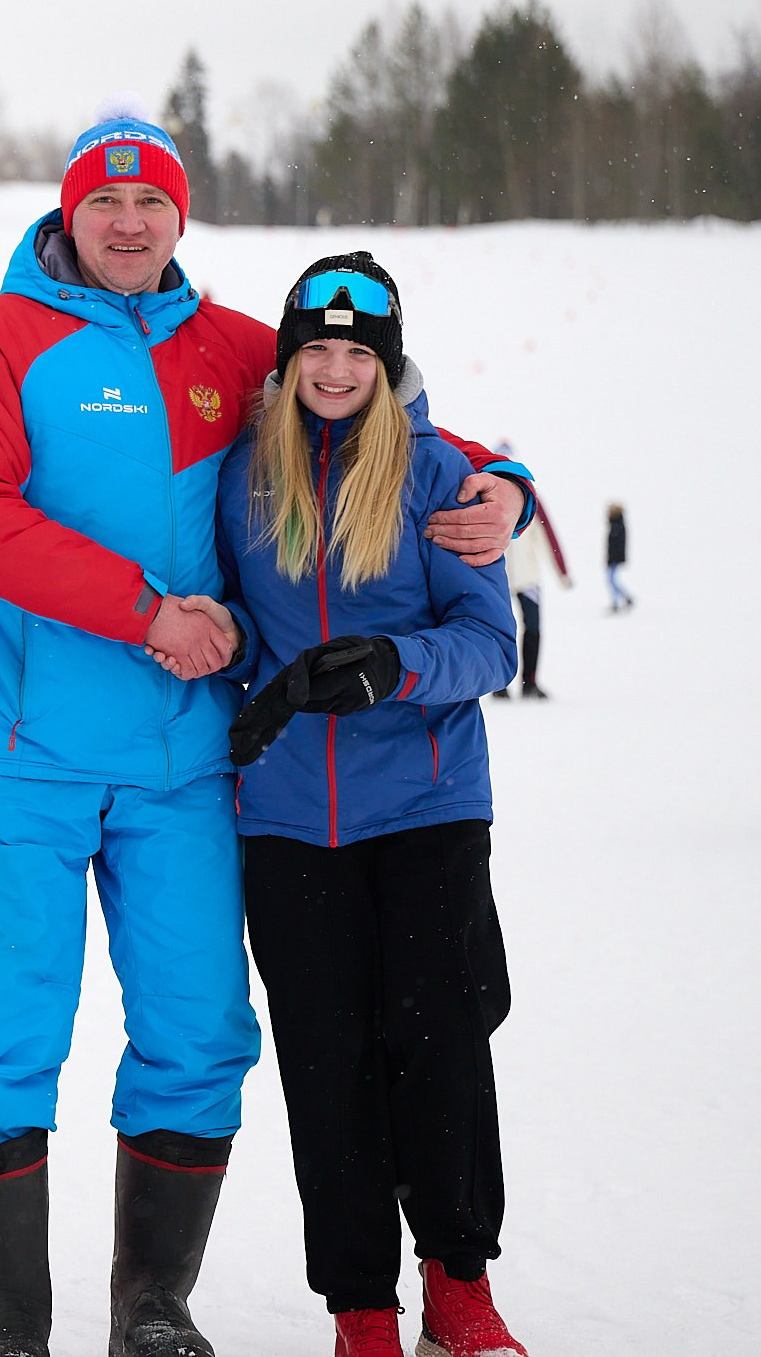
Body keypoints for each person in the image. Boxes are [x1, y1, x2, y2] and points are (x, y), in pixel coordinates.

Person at [0, 110, 534, 1357]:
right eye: (105, 205)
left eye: (151, 206)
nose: (129, 224)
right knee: (3, 1027)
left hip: (192, 760)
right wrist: (145, 612)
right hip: (23, 749)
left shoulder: (233, 350)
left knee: (199, 1029)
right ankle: (5, 1329)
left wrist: (510, 486)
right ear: (68, 216)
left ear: (180, 218)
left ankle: (151, 1307)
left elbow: (375, 413)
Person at [202, 255, 527, 1357]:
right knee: (324, 1061)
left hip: (425, 806)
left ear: (387, 370)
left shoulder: (442, 476)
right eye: (315, 351)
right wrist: (244, 660)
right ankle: (360, 1308)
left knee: (435, 1044)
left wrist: (395, 665)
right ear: (287, 361)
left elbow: (491, 644)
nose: (334, 371)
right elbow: (234, 615)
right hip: (286, 815)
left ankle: (459, 1281)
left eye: (357, 354)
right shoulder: (244, 476)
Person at [493, 503, 568, 701]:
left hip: (529, 578)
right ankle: (500, 684)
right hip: (498, 577)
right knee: (500, 630)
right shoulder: (490, 494)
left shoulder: (531, 500)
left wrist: (562, 571)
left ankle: (530, 682)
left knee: (533, 628)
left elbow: (547, 536)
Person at [602, 504, 631, 613]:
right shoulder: (614, 525)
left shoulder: (618, 526)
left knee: (612, 580)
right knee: (611, 580)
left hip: (615, 558)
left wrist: (614, 557)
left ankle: (617, 602)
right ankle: (625, 598)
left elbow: (618, 545)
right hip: (613, 558)